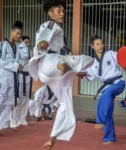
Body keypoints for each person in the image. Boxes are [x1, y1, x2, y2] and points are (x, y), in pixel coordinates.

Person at [28, 1, 94, 149]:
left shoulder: (59, 30)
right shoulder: (50, 25)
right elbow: (42, 40)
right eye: (58, 11)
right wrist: (41, 44)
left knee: (65, 105)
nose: (62, 13)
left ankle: (52, 138)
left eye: (63, 11)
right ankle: (65, 65)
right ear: (50, 13)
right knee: (89, 59)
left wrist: (75, 71)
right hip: (50, 62)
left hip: (51, 73)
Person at [78, 35, 125, 145]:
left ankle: (101, 121)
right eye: (97, 44)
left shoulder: (110, 54)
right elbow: (90, 77)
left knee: (106, 95)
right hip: (107, 86)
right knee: (105, 105)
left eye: (101, 44)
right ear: (92, 46)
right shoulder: (93, 63)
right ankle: (110, 137)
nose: (100, 46)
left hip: (118, 82)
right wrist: (81, 75)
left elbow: (122, 58)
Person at [0, 21, 24, 136]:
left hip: (13, 79)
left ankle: (4, 124)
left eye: (20, 34)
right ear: (11, 32)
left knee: (9, 103)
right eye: (17, 33)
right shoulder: (3, 44)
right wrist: (15, 66)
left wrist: (18, 66)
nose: (19, 36)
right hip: (3, 79)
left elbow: (24, 57)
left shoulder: (17, 47)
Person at [10, 36, 32, 128]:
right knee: (17, 99)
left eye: (28, 42)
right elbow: (24, 56)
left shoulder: (30, 51)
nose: (27, 44)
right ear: (22, 42)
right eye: (26, 42)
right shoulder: (18, 49)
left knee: (25, 99)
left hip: (28, 76)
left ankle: (22, 119)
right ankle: (13, 120)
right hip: (19, 76)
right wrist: (22, 45)